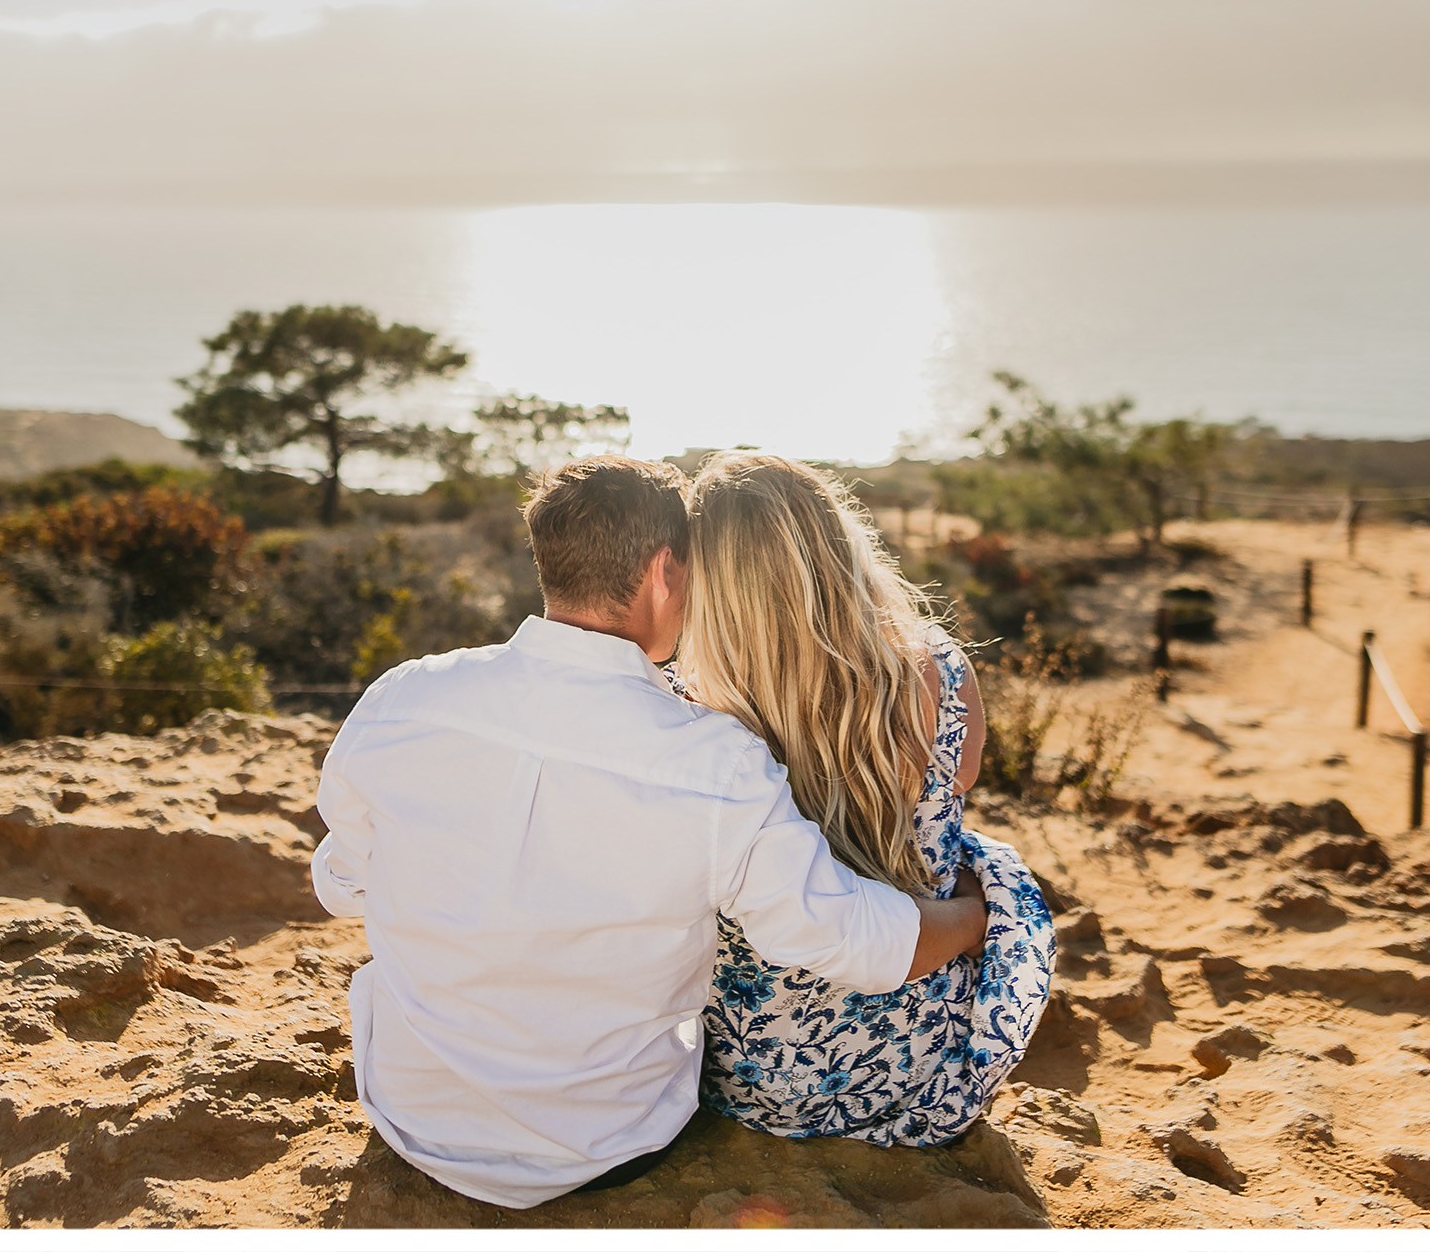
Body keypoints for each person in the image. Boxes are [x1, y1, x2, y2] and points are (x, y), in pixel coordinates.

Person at [308, 455, 990, 1209]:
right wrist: (975, 916)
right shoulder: (712, 761)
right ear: (666, 572)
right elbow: (843, 939)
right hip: (605, 1147)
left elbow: (340, 885)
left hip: (411, 1118)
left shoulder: (405, 695)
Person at [679, 452, 1054, 1145]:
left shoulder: (691, 707)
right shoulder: (941, 671)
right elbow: (959, 783)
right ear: (837, 541)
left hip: (741, 1072)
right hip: (910, 1062)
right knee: (994, 866)